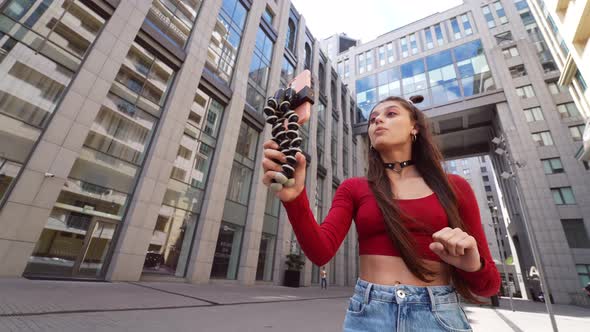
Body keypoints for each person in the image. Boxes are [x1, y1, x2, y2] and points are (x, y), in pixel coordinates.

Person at [262, 95, 501, 331]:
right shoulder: (353, 187)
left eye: (391, 114)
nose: (378, 121)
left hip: (438, 315)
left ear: (414, 128)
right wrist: (295, 198)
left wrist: (473, 264)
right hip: (369, 313)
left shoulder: (455, 187)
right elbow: (320, 252)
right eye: (373, 118)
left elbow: (489, 286)